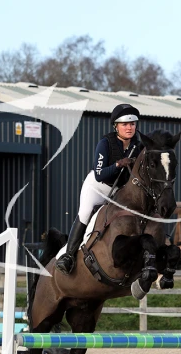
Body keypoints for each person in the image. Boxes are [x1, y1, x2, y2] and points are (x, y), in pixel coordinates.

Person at [55, 103, 143, 275]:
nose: (129, 128)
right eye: (125, 124)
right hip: (97, 187)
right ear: (116, 126)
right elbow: (99, 174)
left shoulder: (138, 146)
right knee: (85, 213)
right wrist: (118, 164)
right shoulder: (106, 143)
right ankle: (68, 256)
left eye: (132, 124)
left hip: (117, 191)